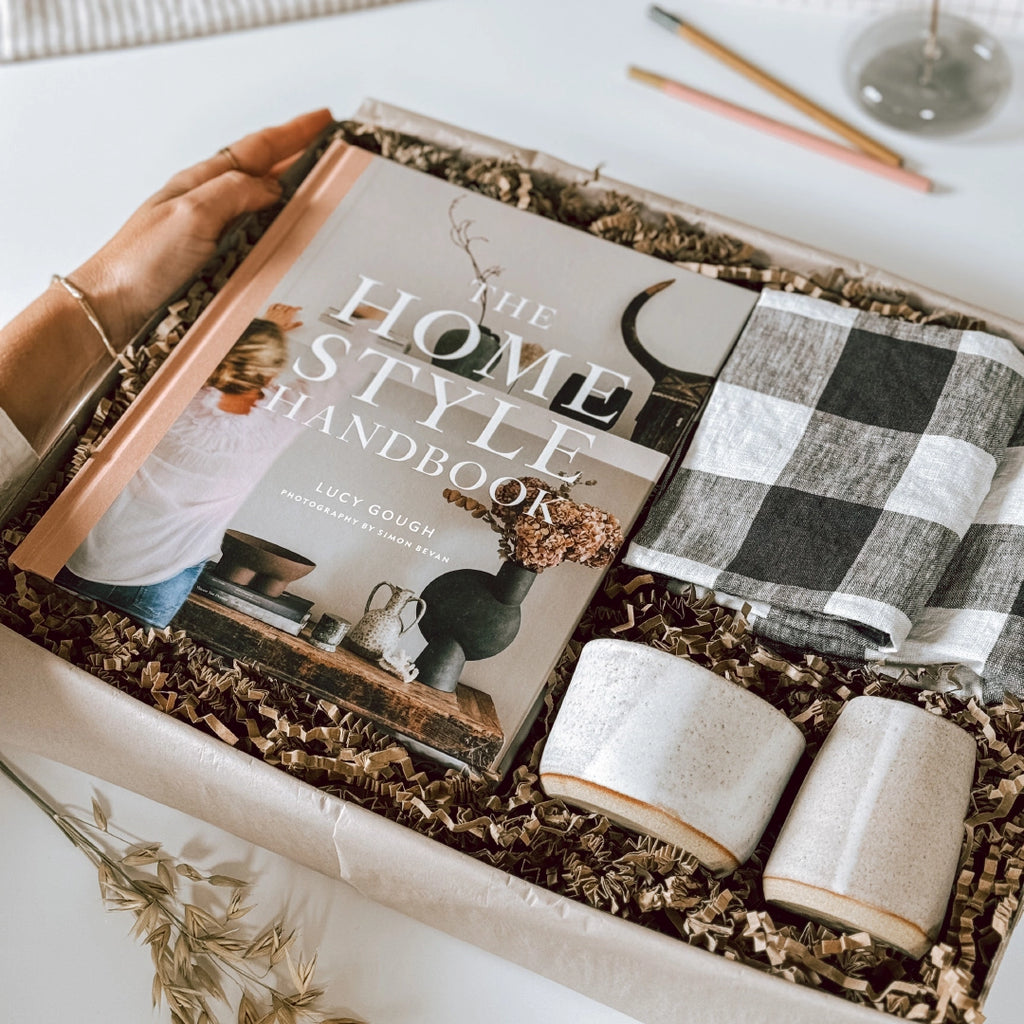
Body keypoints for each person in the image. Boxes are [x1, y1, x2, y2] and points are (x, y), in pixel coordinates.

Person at [0, 108, 336, 620]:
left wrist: (102, 298)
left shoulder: (190, 404)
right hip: (154, 576)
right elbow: (326, 378)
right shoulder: (265, 423)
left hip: (91, 554)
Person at [53, 303, 313, 628]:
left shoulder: (171, 394)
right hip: (163, 580)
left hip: (90, 553)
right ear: (270, 374)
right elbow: (333, 382)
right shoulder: (269, 426)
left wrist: (266, 331)